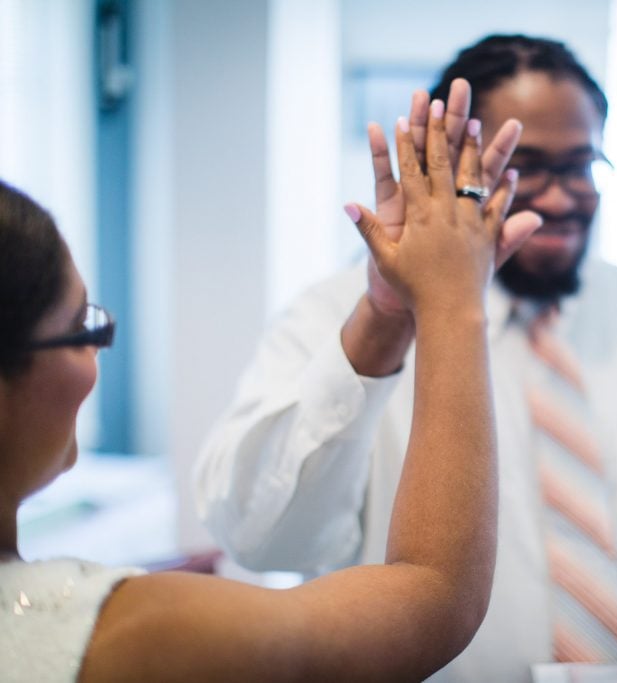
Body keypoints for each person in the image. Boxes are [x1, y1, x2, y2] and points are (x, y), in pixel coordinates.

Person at [195, 34, 617, 681]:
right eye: (523, 168)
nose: (560, 199)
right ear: (443, 169)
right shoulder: (335, 318)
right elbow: (262, 534)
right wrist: (384, 322)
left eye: (581, 166)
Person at [0, 96, 520, 681]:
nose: (97, 353)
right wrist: (451, 302)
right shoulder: (125, 634)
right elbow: (435, 596)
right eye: (83, 328)